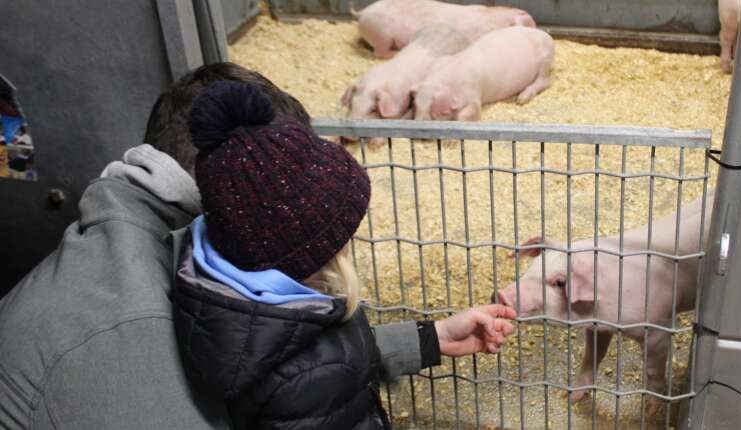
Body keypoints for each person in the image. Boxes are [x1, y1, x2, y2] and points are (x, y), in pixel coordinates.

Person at [0, 62, 514, 430]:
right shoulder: (131, 339)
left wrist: (425, 339)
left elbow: (272, 367)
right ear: (232, 201)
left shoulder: (182, 258)